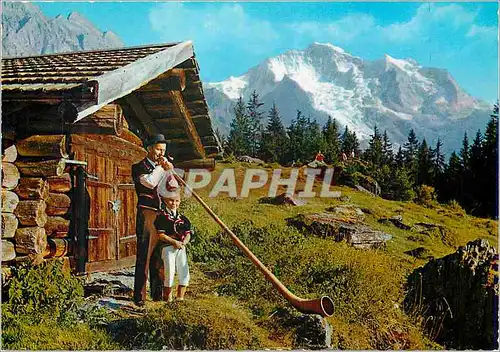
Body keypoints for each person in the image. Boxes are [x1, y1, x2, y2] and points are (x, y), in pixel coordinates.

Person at [131, 134, 174, 306]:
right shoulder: (139, 167)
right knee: (145, 255)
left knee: (159, 257)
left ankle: (157, 296)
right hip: (146, 213)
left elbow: (172, 188)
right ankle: (140, 298)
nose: (161, 153)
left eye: (163, 150)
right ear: (149, 148)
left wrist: (170, 170)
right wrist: (162, 169)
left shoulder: (162, 167)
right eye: (158, 149)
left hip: (161, 214)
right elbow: (149, 182)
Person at [153, 186, 192, 302]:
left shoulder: (183, 218)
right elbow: (161, 235)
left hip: (181, 247)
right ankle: (168, 299)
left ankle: (180, 298)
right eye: (171, 200)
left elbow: (188, 233)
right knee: (169, 272)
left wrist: (183, 242)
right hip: (167, 247)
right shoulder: (162, 217)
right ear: (165, 200)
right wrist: (174, 242)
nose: (174, 203)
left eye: (176, 201)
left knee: (184, 271)